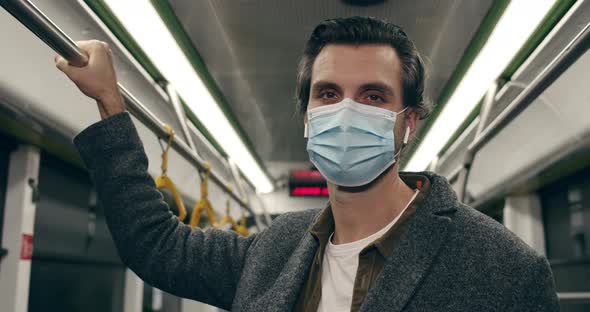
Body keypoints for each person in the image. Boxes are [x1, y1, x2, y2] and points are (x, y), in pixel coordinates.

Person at [55, 16, 559, 312]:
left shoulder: (506, 272)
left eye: (373, 96)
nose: (346, 112)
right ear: (307, 118)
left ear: (409, 123)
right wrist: (109, 103)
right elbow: (156, 245)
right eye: (329, 93)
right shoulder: (274, 250)